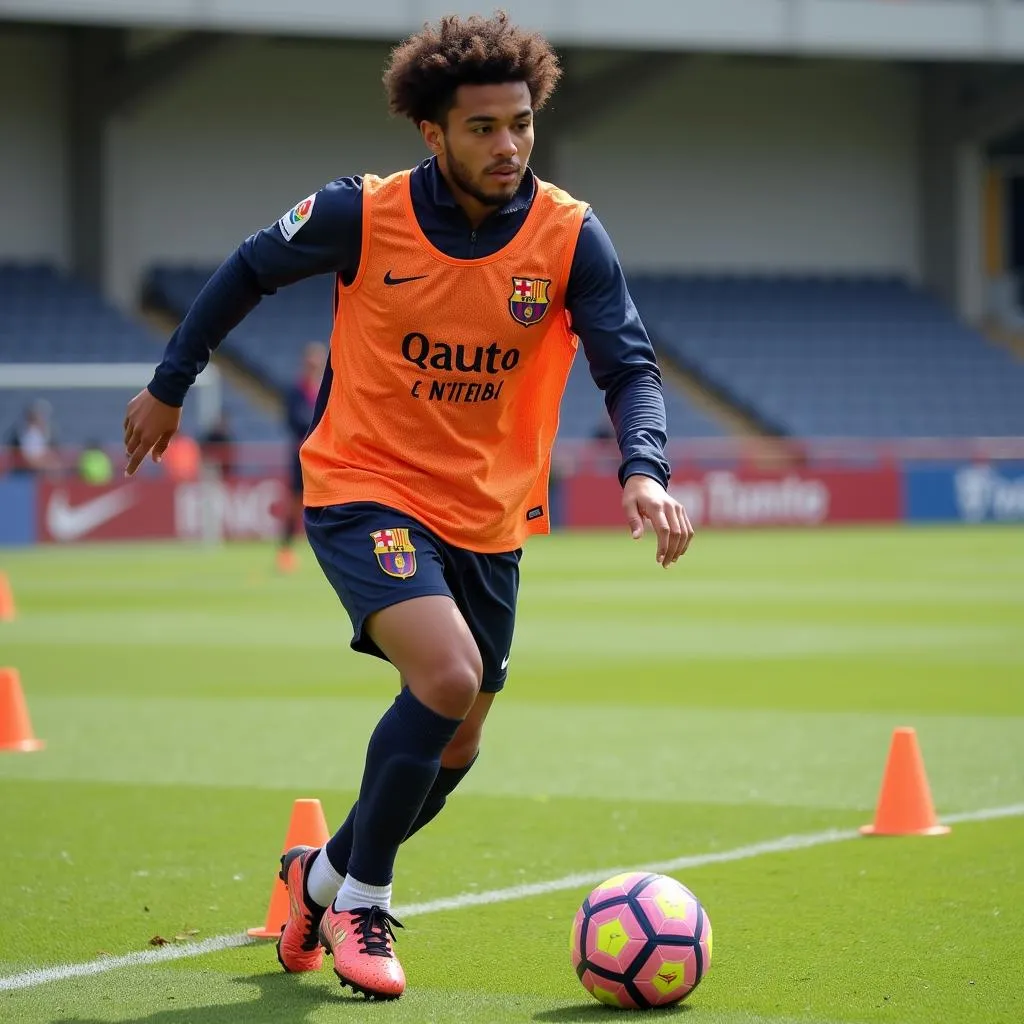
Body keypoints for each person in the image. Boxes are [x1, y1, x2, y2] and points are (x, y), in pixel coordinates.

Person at [122, 10, 693, 1001]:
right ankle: (366, 903)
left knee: (460, 736)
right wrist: (171, 382)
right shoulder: (362, 214)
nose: (508, 144)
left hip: (490, 518)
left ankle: (321, 875)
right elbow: (250, 267)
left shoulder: (568, 234)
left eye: (520, 123)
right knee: (445, 673)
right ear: (432, 133)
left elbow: (627, 365)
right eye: (483, 127)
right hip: (362, 486)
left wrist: (644, 467)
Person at [278, 342, 328, 572]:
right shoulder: (295, 391)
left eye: (317, 360)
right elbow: (293, 420)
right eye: (311, 359)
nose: (314, 364)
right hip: (302, 454)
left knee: (332, 502)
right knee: (295, 503)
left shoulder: (328, 388)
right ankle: (286, 551)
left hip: (327, 455)